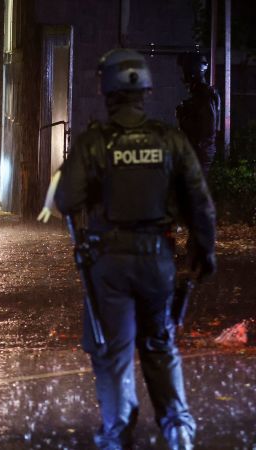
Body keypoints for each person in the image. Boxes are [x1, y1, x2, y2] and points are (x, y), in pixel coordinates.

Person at [49, 49, 217, 450]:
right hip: (157, 258)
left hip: (109, 260)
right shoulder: (169, 140)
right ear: (146, 89)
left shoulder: (95, 143)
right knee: (160, 344)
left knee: (114, 349)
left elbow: (65, 201)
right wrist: (203, 251)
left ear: (106, 89)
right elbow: (200, 203)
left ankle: (118, 428)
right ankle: (177, 428)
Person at [176, 52, 221, 175]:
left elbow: (207, 130)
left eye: (183, 70)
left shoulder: (205, 95)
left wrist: (183, 117)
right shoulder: (200, 95)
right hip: (197, 154)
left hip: (199, 155)